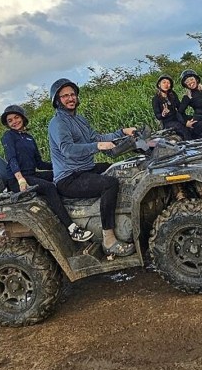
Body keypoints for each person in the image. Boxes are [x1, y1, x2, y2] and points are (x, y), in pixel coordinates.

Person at [47, 78, 137, 257]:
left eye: (72, 94)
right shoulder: (58, 123)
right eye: (65, 96)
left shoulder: (78, 119)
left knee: (118, 168)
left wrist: (122, 132)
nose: (70, 98)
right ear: (57, 101)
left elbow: (97, 137)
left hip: (85, 169)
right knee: (109, 183)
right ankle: (109, 239)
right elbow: (68, 150)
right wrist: (97, 147)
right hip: (69, 178)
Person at [0, 104, 94, 243]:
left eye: (16, 117)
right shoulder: (8, 136)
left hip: (32, 174)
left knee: (62, 176)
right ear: (7, 124)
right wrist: (20, 179)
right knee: (49, 187)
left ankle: (77, 209)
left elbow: (39, 163)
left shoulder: (29, 138)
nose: (14, 122)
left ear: (23, 118)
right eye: (10, 120)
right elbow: (11, 158)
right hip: (17, 179)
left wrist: (61, 166)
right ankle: (71, 228)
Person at [151, 74, 195, 140]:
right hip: (167, 121)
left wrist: (187, 99)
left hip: (177, 117)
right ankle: (190, 143)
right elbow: (158, 116)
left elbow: (179, 107)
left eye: (168, 83)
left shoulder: (172, 94)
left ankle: (201, 139)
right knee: (181, 127)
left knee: (194, 119)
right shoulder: (156, 99)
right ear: (159, 84)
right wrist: (163, 114)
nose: (166, 84)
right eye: (164, 82)